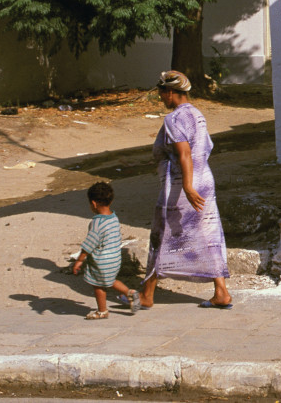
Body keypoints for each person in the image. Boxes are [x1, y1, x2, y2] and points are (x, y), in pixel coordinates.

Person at [139, 70, 233, 309]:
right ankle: (221, 291)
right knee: (209, 232)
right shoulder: (198, 114)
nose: (161, 97)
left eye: (162, 93)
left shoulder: (174, 119)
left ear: (170, 92)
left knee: (162, 233)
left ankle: (147, 294)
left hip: (182, 185)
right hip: (205, 180)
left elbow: (184, 154)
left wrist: (188, 187)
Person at [72, 181, 139, 320]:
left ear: (94, 203)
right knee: (110, 280)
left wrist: (79, 260)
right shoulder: (114, 217)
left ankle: (102, 311)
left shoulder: (97, 223)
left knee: (98, 285)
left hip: (102, 261)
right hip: (115, 258)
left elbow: (89, 244)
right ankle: (130, 293)